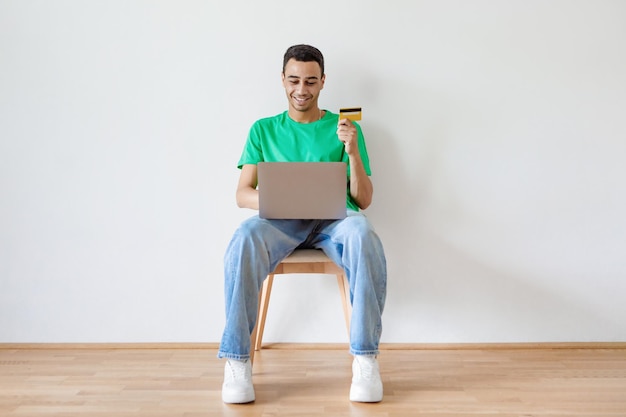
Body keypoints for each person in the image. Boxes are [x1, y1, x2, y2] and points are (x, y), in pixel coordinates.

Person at [218, 44, 387, 404]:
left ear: (323, 82)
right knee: (245, 235)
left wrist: (353, 152)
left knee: (363, 231)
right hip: (280, 222)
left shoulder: (344, 128)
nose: (301, 89)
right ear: (282, 80)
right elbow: (242, 194)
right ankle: (236, 361)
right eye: (294, 80)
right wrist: (282, 197)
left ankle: (366, 358)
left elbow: (364, 199)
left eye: (310, 81)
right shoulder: (263, 130)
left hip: (334, 221)